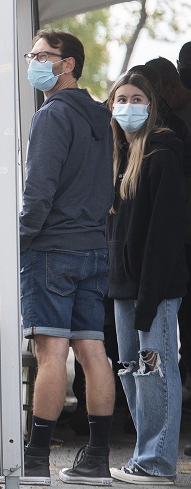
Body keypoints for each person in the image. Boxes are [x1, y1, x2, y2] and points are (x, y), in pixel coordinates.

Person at [19, 29, 116, 486]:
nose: (34, 62)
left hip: (52, 249)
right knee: (93, 349)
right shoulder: (102, 116)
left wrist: (21, 237)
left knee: (51, 352)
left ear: (68, 63)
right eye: (32, 54)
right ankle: (97, 458)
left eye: (43, 55)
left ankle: (36, 458)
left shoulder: (52, 116)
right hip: (94, 247)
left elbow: (39, 189)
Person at [106, 72, 187, 485]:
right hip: (123, 289)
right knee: (132, 369)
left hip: (152, 291)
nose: (128, 106)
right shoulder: (118, 158)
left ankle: (157, 463)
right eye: (121, 98)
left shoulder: (163, 156)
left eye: (137, 98)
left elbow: (165, 235)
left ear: (151, 106)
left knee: (155, 368)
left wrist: (149, 296)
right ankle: (145, 454)